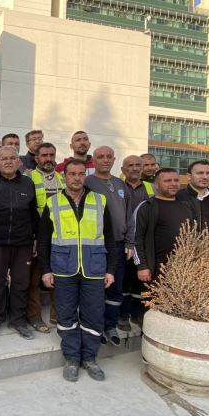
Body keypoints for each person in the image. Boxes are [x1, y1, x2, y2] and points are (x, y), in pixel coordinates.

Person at [39, 159, 117, 382]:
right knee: (66, 315)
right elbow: (43, 239)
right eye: (71, 174)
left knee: (93, 315)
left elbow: (110, 237)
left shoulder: (99, 200)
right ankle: (72, 358)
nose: (76, 178)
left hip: (94, 268)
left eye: (80, 174)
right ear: (64, 176)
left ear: (85, 175)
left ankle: (90, 358)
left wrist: (110, 269)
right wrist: (45, 269)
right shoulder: (52, 202)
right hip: (63, 268)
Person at [0, 145, 39, 339]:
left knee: (21, 283)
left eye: (13, 158)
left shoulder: (28, 184)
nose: (9, 161)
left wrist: (35, 238)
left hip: (23, 243)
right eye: (4, 159)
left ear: (19, 162)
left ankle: (18, 320)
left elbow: (33, 214)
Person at [84, 146, 129, 346]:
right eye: (100, 157)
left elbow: (128, 214)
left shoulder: (120, 184)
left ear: (114, 159)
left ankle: (110, 325)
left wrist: (131, 241)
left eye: (108, 156)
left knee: (115, 287)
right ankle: (96, 326)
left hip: (119, 245)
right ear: (93, 160)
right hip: (96, 244)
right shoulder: (87, 182)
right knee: (96, 288)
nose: (105, 160)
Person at [25, 142, 64, 331]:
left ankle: (57, 315)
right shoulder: (28, 177)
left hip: (59, 236)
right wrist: (32, 236)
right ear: (36, 158)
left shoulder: (62, 178)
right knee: (33, 279)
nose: (48, 158)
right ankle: (34, 316)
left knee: (58, 277)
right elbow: (27, 208)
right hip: (36, 235)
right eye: (44, 155)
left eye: (51, 154)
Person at [133, 168, 195, 281]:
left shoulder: (187, 207)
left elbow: (194, 237)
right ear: (156, 184)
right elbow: (136, 238)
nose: (173, 184)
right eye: (167, 181)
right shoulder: (147, 207)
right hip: (155, 271)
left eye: (176, 180)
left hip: (183, 271)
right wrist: (142, 266)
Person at [120, 155, 153, 329]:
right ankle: (123, 315)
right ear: (123, 169)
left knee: (140, 280)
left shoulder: (150, 188)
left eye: (137, 165)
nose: (134, 168)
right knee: (123, 280)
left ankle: (137, 314)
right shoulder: (117, 186)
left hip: (143, 241)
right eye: (130, 165)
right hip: (124, 240)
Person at [176, 160, 209, 233]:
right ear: (189, 176)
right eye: (200, 173)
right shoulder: (178, 197)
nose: (205, 177)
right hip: (186, 243)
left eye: (208, 173)